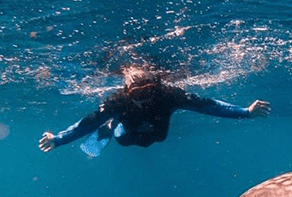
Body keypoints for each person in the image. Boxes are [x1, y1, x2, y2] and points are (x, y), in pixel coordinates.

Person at [39, 66, 271, 156]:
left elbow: (208, 106)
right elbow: (86, 125)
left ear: (157, 86)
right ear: (127, 91)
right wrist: (58, 139)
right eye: (138, 94)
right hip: (126, 134)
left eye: (149, 90)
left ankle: (112, 126)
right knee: (124, 139)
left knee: (158, 137)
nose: (146, 98)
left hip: (157, 133)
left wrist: (245, 112)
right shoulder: (117, 102)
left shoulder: (169, 95)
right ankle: (110, 126)